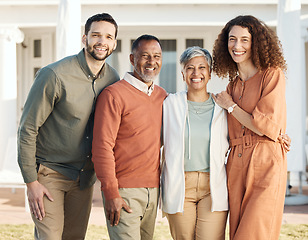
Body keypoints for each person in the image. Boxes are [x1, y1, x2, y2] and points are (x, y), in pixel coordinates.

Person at [17, 13, 119, 240]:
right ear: (85, 38)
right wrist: (31, 182)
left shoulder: (113, 79)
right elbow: (27, 129)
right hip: (50, 173)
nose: (102, 41)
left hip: (84, 178)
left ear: (114, 43)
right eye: (96, 35)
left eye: (108, 37)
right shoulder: (54, 75)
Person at [212, 15, 288, 240]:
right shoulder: (232, 86)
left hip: (265, 160)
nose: (237, 46)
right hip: (235, 162)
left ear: (256, 43)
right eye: (232, 39)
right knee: (237, 232)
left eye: (245, 40)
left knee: (255, 232)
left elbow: (264, 126)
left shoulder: (272, 74)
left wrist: (231, 107)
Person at [92, 34, 167, 240]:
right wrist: (111, 193)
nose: (152, 62)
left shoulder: (162, 96)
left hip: (154, 190)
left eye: (157, 56)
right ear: (133, 59)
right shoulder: (113, 95)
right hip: (124, 191)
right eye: (145, 56)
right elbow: (101, 148)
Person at [161, 46, 229, 240]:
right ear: (182, 74)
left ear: (209, 73)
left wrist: (276, 136)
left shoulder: (222, 107)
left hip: (213, 185)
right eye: (190, 68)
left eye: (202, 67)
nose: (196, 73)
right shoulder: (169, 104)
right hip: (179, 184)